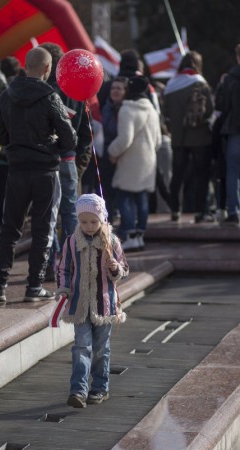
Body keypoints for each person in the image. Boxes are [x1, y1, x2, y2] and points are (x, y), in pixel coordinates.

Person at [0, 47, 77, 302]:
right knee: (43, 228)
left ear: (26, 66)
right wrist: (52, 146)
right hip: (45, 171)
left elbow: (0, 137)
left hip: (16, 170)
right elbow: (69, 138)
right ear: (48, 69)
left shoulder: (7, 95)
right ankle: (34, 286)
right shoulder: (51, 97)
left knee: (9, 228)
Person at [56, 193, 129, 408]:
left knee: (100, 349)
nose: (88, 226)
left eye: (93, 222)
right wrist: (63, 289)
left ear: (102, 219)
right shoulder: (71, 242)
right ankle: (78, 390)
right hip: (79, 305)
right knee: (81, 347)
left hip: (104, 305)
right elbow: (63, 269)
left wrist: (115, 268)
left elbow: (124, 269)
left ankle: (99, 388)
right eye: (83, 221)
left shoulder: (112, 241)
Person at [39, 42, 92, 281]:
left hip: (46, 159)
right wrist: (77, 155)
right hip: (69, 159)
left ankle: (49, 265)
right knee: (70, 213)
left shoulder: (40, 91)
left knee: (47, 213)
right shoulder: (75, 91)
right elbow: (84, 131)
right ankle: (71, 265)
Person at [108, 76, 162, 251]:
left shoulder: (127, 109)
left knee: (123, 196)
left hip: (130, 160)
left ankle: (130, 234)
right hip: (148, 160)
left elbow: (125, 139)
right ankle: (139, 236)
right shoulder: (152, 110)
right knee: (142, 198)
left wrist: (112, 151)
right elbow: (158, 140)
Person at [163, 50, 214, 223]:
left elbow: (166, 113)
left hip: (178, 138)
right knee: (201, 175)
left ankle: (175, 210)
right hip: (200, 137)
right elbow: (209, 111)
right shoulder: (201, 84)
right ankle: (200, 212)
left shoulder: (171, 85)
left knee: (177, 176)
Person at [216, 44, 240, 226]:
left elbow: (222, 106)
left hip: (234, 131)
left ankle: (234, 210)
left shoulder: (230, 79)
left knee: (232, 171)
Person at [100, 76, 129, 222]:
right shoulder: (105, 107)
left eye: (119, 88)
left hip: (124, 155)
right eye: (113, 88)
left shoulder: (128, 109)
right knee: (107, 191)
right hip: (106, 154)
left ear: (125, 91)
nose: (115, 91)